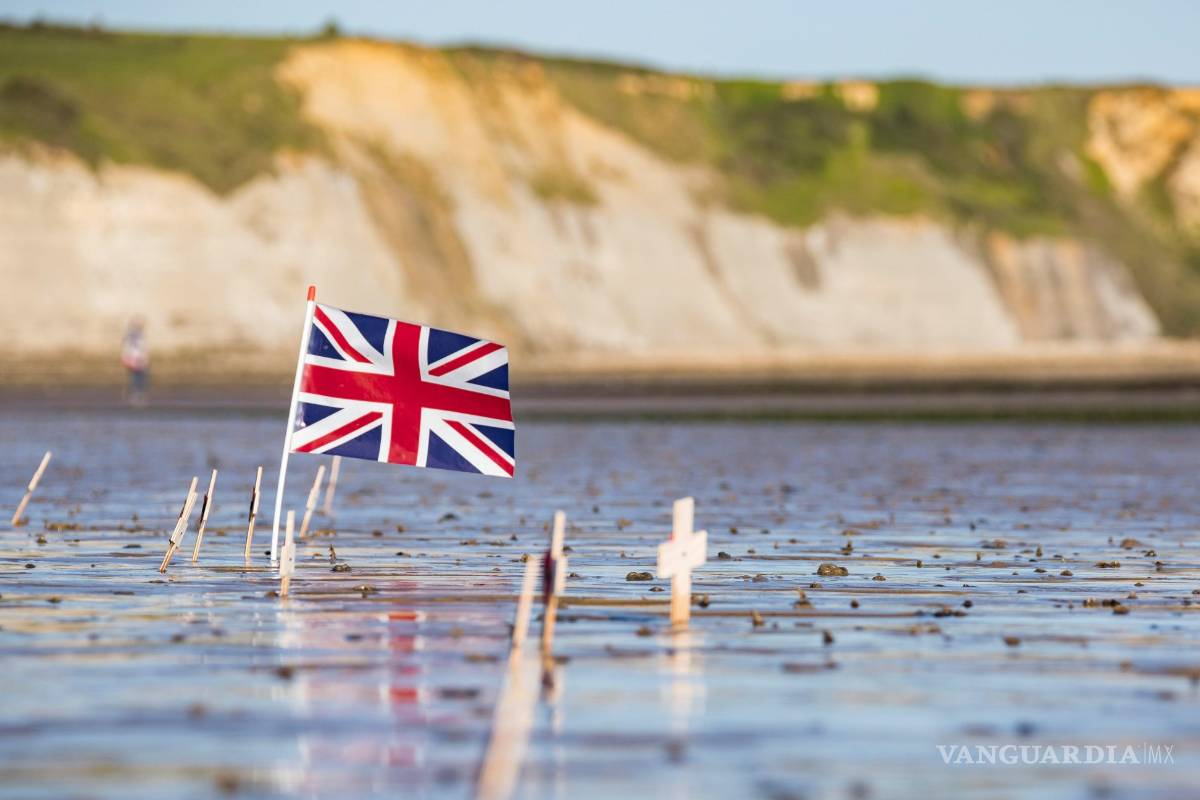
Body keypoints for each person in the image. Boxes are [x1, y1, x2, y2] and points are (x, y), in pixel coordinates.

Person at [121, 318, 150, 406]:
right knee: (136, 378)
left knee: (139, 378)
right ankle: (135, 396)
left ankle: (137, 395)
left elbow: (143, 348)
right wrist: (126, 358)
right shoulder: (134, 335)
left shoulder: (133, 335)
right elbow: (129, 347)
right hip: (135, 358)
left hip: (137, 358)